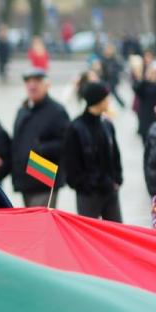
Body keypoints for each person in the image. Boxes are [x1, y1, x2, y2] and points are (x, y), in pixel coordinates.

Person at [62, 82, 123, 222]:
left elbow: (115, 155)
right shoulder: (76, 127)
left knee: (117, 233)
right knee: (88, 235)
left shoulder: (107, 124)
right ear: (98, 100)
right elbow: (71, 163)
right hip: (88, 193)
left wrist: (117, 179)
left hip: (110, 190)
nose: (109, 101)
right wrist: (84, 184)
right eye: (106, 98)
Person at [10, 68, 69, 207]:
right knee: (31, 224)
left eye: (36, 81)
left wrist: (40, 149)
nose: (32, 85)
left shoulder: (57, 111)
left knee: (41, 224)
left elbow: (66, 143)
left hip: (44, 176)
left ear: (47, 85)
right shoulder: (23, 110)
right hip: (25, 179)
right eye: (28, 82)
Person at [99, 44, 126, 108]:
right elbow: (101, 69)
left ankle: (121, 104)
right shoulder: (103, 59)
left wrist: (114, 70)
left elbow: (120, 68)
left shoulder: (115, 59)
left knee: (112, 92)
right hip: (105, 79)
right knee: (110, 92)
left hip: (113, 79)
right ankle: (121, 104)